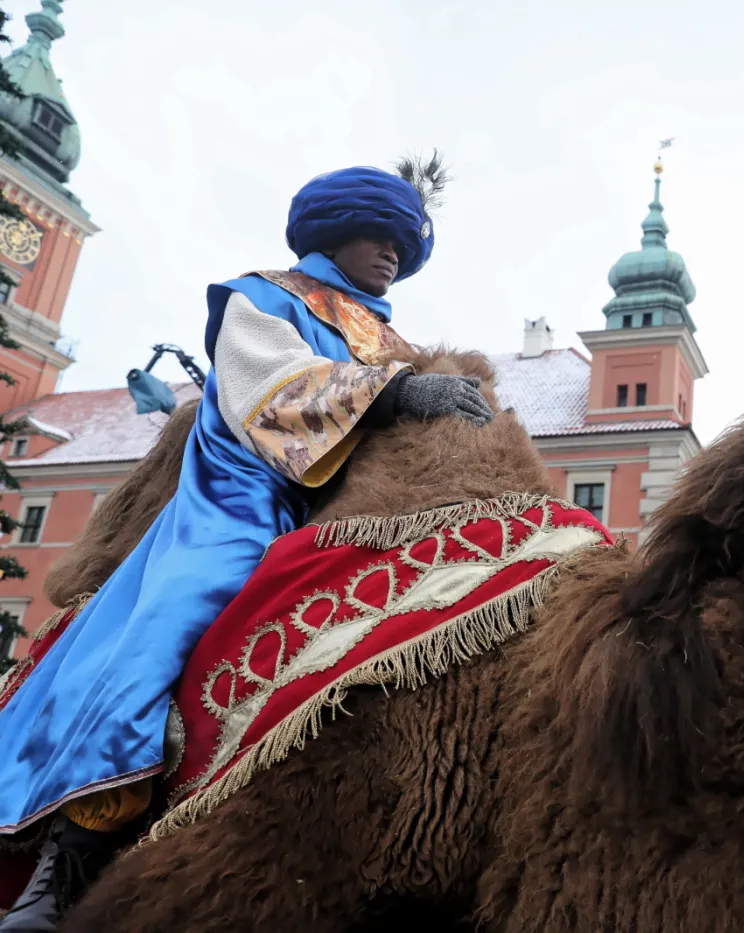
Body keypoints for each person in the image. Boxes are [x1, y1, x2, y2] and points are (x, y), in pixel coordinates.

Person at [0, 157, 493, 930]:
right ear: (339, 231)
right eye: (380, 234)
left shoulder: (384, 331)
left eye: (404, 242)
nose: (393, 254)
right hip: (243, 500)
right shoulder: (262, 297)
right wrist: (396, 391)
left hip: (350, 506)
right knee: (167, 627)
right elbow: (270, 393)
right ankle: (70, 858)